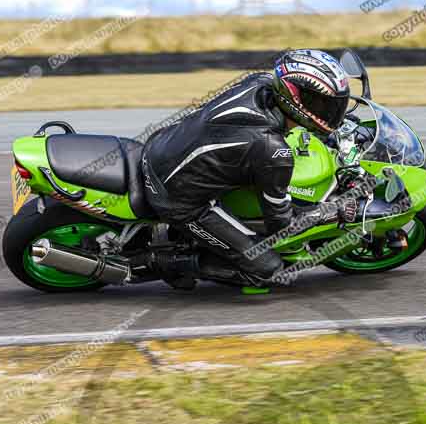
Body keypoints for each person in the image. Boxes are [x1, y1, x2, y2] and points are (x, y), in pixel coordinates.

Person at [138, 49, 362, 288]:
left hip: (163, 144)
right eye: (322, 104)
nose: (329, 112)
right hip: (177, 199)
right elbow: (281, 224)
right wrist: (329, 211)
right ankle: (164, 263)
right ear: (294, 98)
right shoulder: (272, 151)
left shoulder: (260, 83)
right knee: (268, 269)